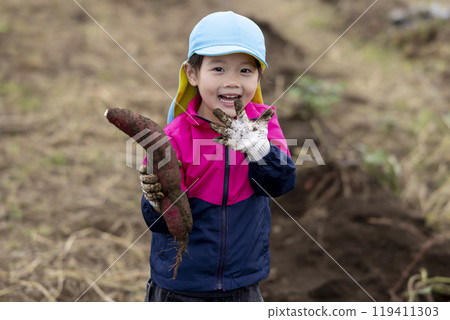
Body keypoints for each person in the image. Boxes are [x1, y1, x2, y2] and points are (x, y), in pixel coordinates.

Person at [140, 11, 295, 302]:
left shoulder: (263, 124)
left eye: (245, 71)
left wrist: (260, 151)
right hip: (181, 286)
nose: (233, 82)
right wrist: (154, 199)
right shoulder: (173, 137)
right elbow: (161, 223)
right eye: (219, 69)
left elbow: (281, 184)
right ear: (193, 74)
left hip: (243, 283)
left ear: (259, 76)